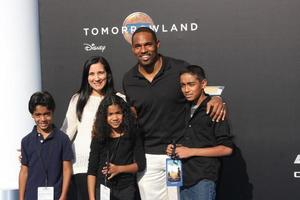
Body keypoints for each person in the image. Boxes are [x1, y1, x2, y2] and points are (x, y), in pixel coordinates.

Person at [122, 27, 226, 200]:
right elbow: (132, 116)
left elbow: (198, 90)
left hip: (178, 155)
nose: (143, 50)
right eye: (138, 46)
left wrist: (217, 99)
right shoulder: (128, 79)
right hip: (148, 158)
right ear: (133, 49)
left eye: (148, 44)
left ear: (157, 44)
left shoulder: (178, 68)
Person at [61, 56, 124, 199]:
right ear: (86, 77)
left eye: (100, 73)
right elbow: (65, 134)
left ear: (108, 74)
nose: (96, 78)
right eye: (91, 74)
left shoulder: (120, 99)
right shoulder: (78, 99)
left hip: (109, 167)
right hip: (81, 166)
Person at [166, 65, 233, 200]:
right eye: (183, 85)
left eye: (191, 84)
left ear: (203, 84)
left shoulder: (214, 108)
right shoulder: (182, 108)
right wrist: (173, 148)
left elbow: (227, 149)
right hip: (181, 177)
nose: (186, 90)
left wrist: (191, 151)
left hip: (203, 178)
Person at [87, 95, 146, 200]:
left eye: (118, 113)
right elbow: (92, 170)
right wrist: (92, 197)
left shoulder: (133, 133)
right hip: (103, 187)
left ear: (124, 113)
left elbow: (141, 165)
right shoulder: (99, 136)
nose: (115, 118)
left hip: (126, 188)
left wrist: (118, 169)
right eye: (110, 114)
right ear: (104, 116)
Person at [19, 91, 73, 200]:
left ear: (52, 112)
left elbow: (67, 169)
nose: (43, 119)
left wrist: (63, 196)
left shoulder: (63, 139)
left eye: (46, 114)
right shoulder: (26, 141)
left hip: (56, 196)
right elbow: (24, 171)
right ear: (32, 115)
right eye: (38, 115)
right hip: (32, 196)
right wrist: (21, 198)